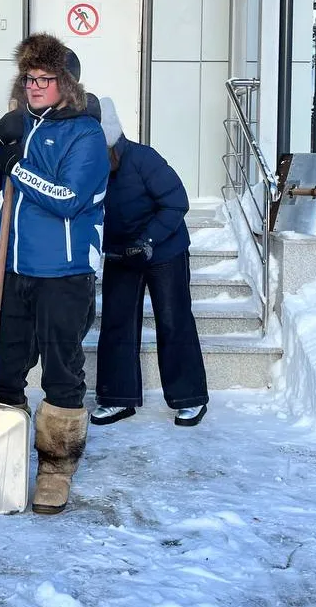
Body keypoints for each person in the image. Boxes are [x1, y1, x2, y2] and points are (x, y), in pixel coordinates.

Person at [0, 32, 110, 515]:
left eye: (44, 78)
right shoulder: (20, 125)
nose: (33, 86)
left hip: (64, 273)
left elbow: (68, 199)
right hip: (12, 269)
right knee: (3, 368)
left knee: (61, 371)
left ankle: (56, 467)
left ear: (66, 84)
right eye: (29, 78)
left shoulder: (87, 135)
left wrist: (20, 167)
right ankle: (2, 457)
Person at [89, 97, 209, 428]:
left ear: (113, 143)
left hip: (164, 249)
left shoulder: (144, 159)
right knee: (116, 323)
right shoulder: (88, 170)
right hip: (121, 253)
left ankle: (190, 398)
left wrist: (148, 240)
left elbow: (176, 202)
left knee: (173, 319)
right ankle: (116, 399)